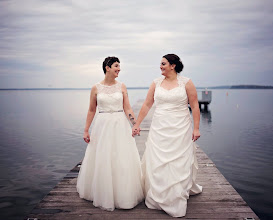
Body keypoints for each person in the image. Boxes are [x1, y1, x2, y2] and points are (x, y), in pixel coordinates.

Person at [132, 54, 202, 217]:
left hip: (181, 126)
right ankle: (158, 195)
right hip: (160, 127)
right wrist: (137, 124)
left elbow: (195, 105)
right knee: (158, 161)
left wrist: (196, 128)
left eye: (163, 64)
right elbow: (147, 104)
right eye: (160, 64)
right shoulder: (156, 83)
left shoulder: (186, 82)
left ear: (173, 65)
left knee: (179, 160)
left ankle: (176, 195)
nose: (160, 66)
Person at [77, 56, 144, 211]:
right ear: (107, 67)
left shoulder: (122, 86)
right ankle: (102, 192)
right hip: (102, 125)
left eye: (119, 66)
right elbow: (92, 110)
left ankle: (123, 193)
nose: (119, 69)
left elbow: (127, 108)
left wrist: (135, 124)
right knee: (103, 157)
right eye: (116, 66)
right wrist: (86, 130)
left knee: (120, 157)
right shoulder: (95, 88)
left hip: (120, 124)